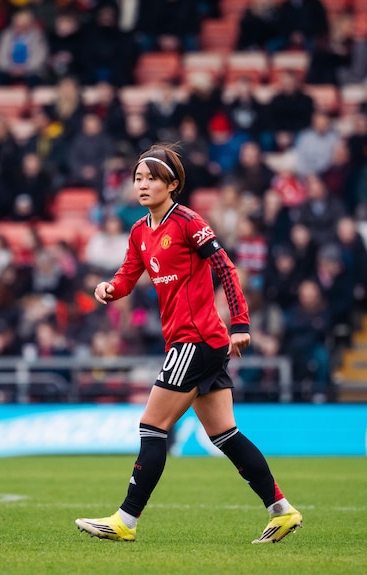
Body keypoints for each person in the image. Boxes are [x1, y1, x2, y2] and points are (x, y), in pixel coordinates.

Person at [75, 144, 302, 544]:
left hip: (196, 340)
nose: (142, 185)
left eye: (151, 178)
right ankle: (281, 510)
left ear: (173, 184)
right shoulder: (140, 231)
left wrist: (241, 323)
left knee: (151, 426)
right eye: (138, 178)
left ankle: (126, 519)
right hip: (193, 342)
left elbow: (226, 269)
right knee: (225, 434)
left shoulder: (188, 222)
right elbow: (129, 276)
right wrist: (110, 289)